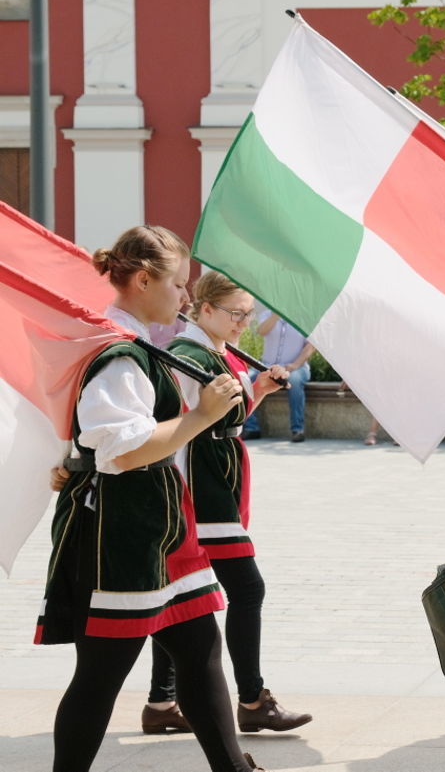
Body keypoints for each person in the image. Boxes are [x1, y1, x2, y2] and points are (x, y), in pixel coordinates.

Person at [37, 226, 263, 772]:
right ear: (143, 280)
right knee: (100, 677)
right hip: (123, 535)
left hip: (156, 527)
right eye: (178, 284)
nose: (185, 297)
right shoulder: (120, 354)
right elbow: (122, 451)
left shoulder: (127, 345)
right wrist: (201, 417)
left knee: (201, 650)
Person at [142, 272, 312, 736]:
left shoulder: (215, 350)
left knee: (183, 594)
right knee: (245, 590)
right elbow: (186, 421)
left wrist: (256, 393)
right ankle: (253, 699)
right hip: (200, 487)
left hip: (218, 483)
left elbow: (225, 420)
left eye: (248, 314)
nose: (244, 323)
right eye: (236, 313)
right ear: (205, 308)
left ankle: (161, 704)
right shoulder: (186, 355)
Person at [240, 310, 313, 442]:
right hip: (267, 367)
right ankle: (251, 428)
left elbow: (311, 345)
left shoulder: (304, 317)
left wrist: (295, 365)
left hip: (296, 367)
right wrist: (277, 315)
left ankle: (298, 429)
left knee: (295, 381)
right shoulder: (267, 314)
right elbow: (262, 331)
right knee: (245, 378)